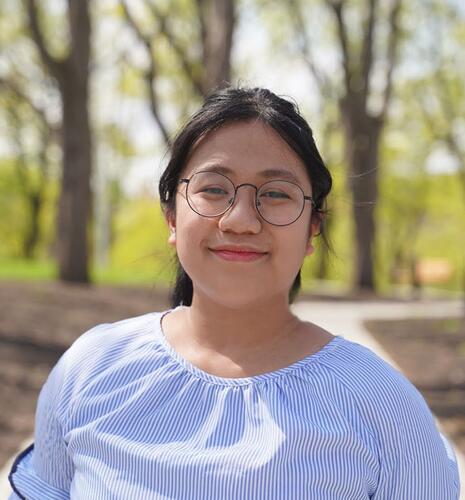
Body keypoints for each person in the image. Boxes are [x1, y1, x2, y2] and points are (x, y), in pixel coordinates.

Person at [8, 87, 460, 499]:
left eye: (277, 194)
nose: (241, 219)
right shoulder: (90, 371)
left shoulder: (380, 404)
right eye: (214, 189)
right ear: (171, 217)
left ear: (312, 230)